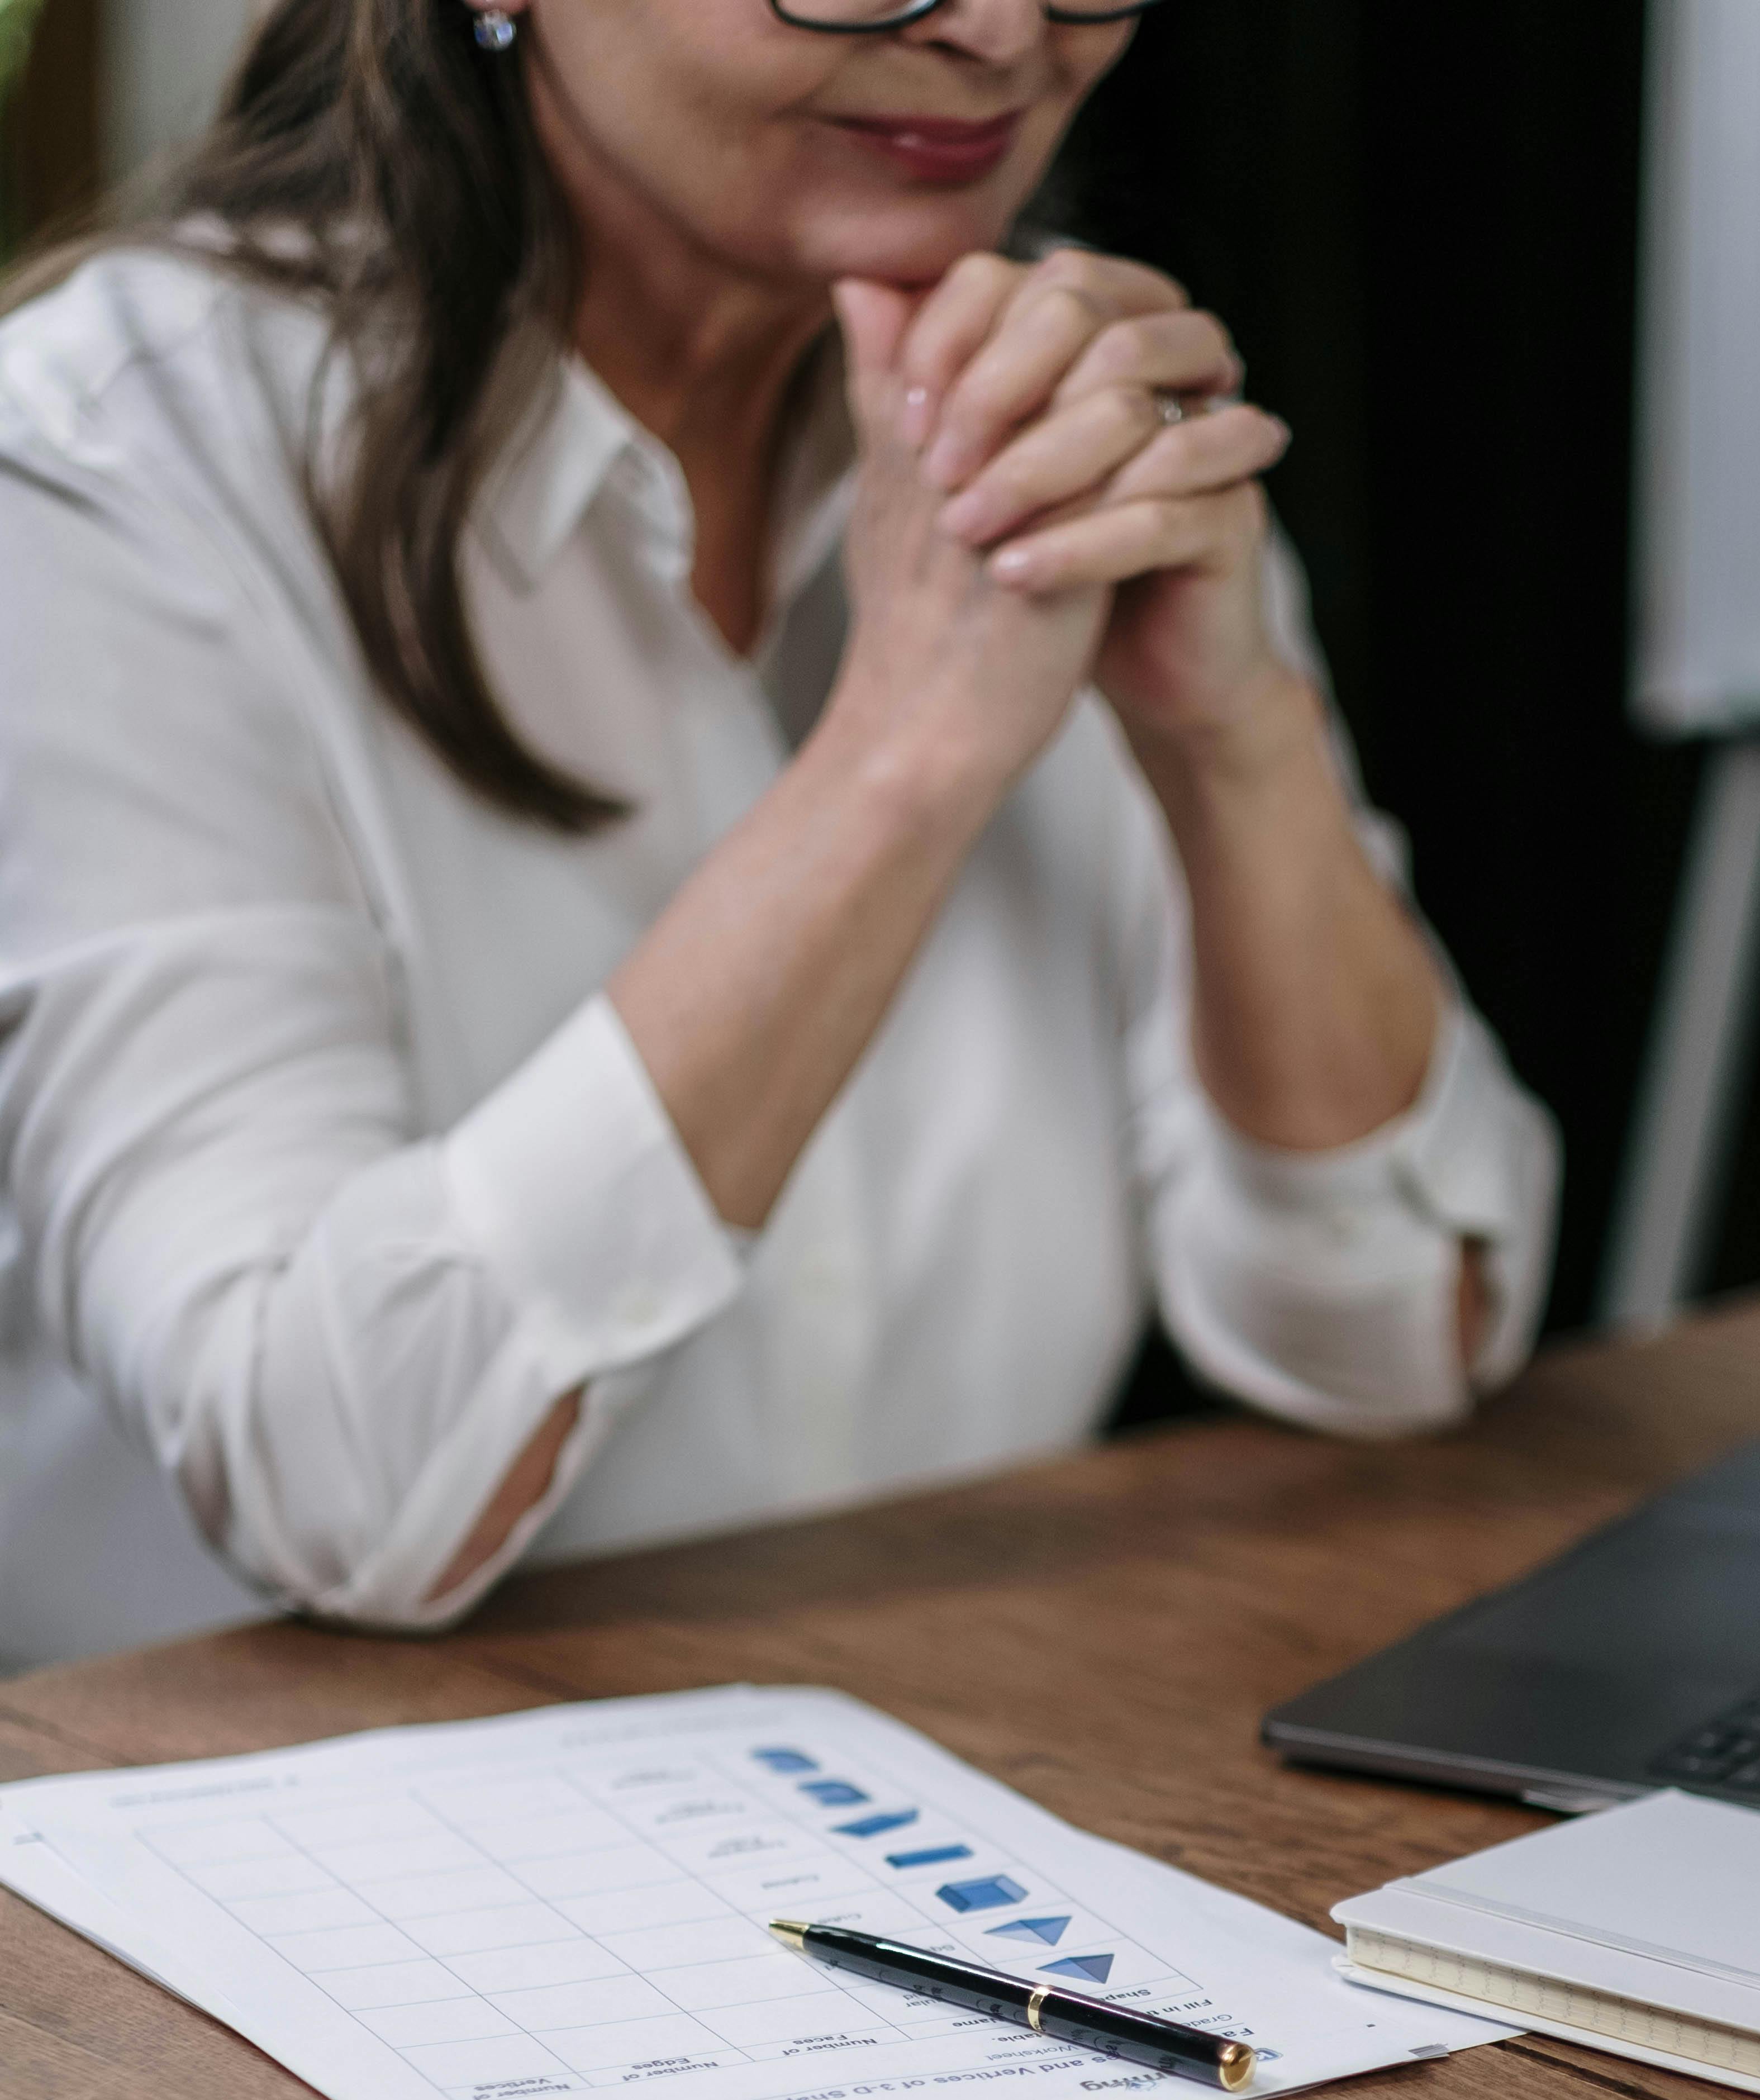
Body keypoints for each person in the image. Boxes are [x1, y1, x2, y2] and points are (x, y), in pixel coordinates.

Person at [0, 0, 1558, 1664]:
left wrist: (1233, 742)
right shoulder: (99, 479)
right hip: (243, 1857)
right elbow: (337, 1487)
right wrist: (904, 754)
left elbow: (1397, 1334)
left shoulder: (1052, 403)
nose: (1003, 30)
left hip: (942, 1784)